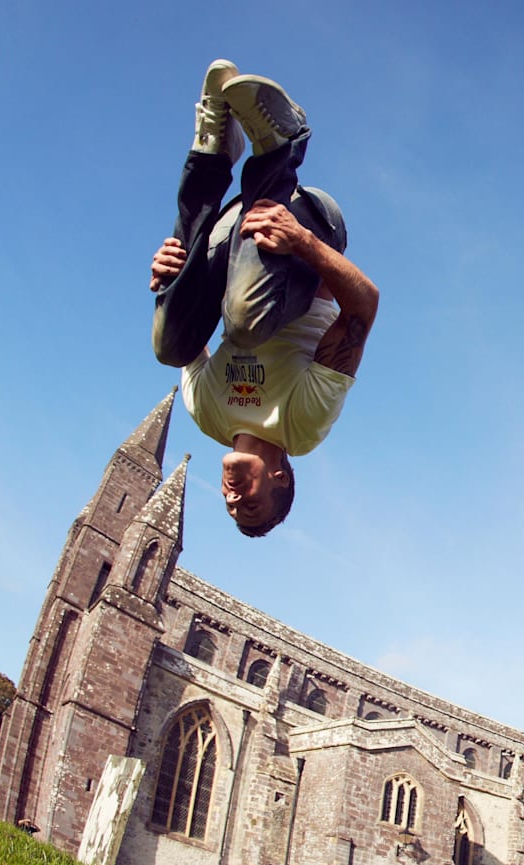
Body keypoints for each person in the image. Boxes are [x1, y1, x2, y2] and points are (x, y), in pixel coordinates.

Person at [150, 60, 379, 537]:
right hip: (306, 225)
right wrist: (304, 242)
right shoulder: (301, 426)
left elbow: (184, 329)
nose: (232, 500)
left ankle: (215, 148)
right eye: (249, 508)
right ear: (280, 478)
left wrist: (171, 277)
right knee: (245, 323)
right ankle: (283, 145)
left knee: (167, 347)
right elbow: (364, 307)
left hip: (237, 230)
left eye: (230, 509)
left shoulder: (206, 414)